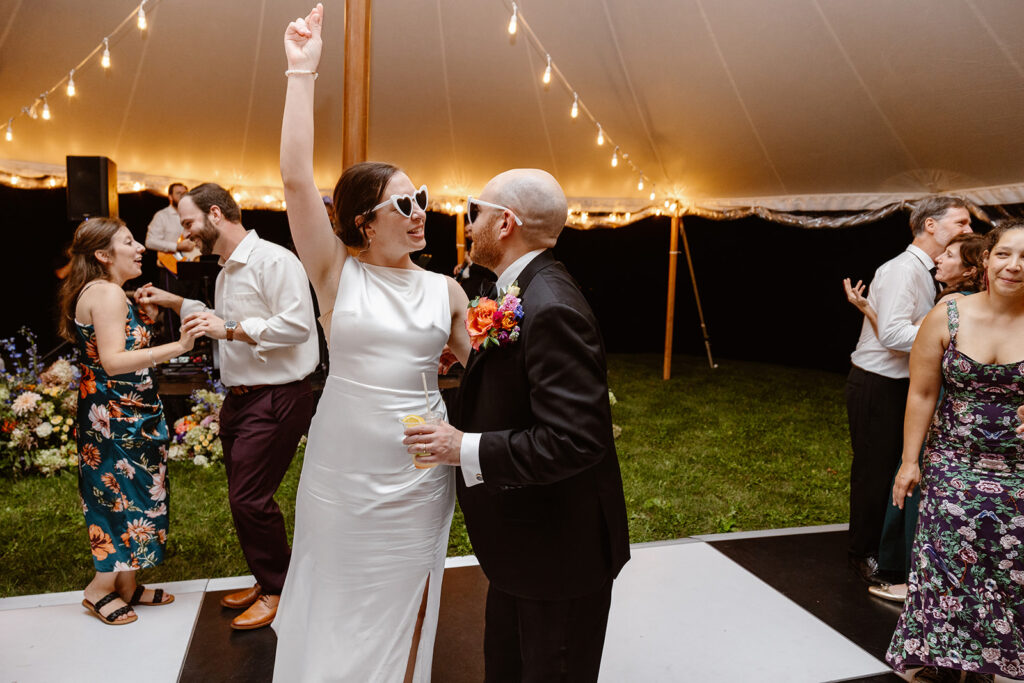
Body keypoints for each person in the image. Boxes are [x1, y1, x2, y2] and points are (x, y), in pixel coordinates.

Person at [272, 6, 472, 681]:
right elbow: (296, 179)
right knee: (334, 591)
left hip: (418, 468)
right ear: (363, 221)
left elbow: (490, 374)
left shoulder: (446, 290)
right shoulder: (335, 271)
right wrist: (303, 70)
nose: (421, 212)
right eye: (405, 204)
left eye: (422, 198)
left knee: (405, 600)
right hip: (340, 467)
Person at [408, 169, 631, 681]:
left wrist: (461, 446)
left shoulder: (552, 306)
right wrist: (474, 361)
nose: (468, 225)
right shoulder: (522, 287)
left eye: (475, 212)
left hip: (560, 558)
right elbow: (527, 387)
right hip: (525, 549)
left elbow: (575, 440)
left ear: (505, 223)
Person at [137, 183, 318, 631]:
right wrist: (176, 302)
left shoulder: (275, 260)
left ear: (215, 214)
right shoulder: (225, 271)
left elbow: (295, 326)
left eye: (189, 223)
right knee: (244, 500)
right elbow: (219, 317)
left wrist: (230, 326)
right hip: (240, 400)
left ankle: (280, 589)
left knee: (250, 499)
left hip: (277, 395)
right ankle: (268, 577)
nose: (186, 234)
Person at [886, 222, 1024, 683]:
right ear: (985, 259)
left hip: (1019, 470)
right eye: (1004, 254)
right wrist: (910, 462)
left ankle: (993, 660)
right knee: (943, 559)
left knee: (1009, 567)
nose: (1015, 266)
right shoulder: (949, 314)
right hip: (953, 463)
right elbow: (922, 394)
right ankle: (939, 656)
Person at [57, 217, 198, 625]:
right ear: (103, 255)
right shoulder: (106, 294)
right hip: (116, 420)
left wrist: (147, 321)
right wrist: (179, 345)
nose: (140, 248)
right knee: (120, 497)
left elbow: (116, 349)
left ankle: (126, 585)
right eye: (129, 242)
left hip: (121, 413)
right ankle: (99, 588)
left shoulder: (108, 293)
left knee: (133, 492)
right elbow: (115, 362)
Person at [844, 233, 987, 603]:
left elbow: (919, 337)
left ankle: (916, 571)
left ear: (970, 269)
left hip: (944, 397)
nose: (943, 257)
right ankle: (895, 562)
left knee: (916, 477)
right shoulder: (915, 277)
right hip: (897, 385)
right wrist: (869, 310)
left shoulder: (958, 302)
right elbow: (901, 336)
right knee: (887, 471)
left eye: (952, 254)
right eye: (958, 223)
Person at [145, 183, 198, 338]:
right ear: (170, 196)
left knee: (192, 306)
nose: (182, 195)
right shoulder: (162, 216)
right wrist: (177, 246)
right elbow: (150, 242)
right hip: (170, 268)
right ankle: (173, 345)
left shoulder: (194, 215)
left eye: (185, 193)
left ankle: (192, 347)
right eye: (178, 193)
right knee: (171, 309)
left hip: (192, 266)